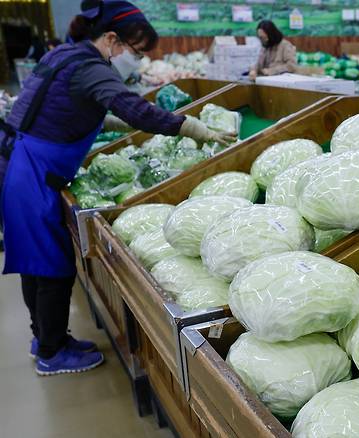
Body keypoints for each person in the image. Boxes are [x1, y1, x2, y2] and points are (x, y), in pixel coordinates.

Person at [0, 0, 235, 377]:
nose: (137, 62)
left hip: (20, 166)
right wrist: (190, 126)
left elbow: (67, 107)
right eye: (137, 53)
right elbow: (134, 108)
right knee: (51, 266)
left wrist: (111, 124)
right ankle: (51, 351)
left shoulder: (66, 54)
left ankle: (44, 338)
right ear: (112, 39)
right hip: (31, 174)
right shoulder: (91, 66)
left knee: (36, 262)